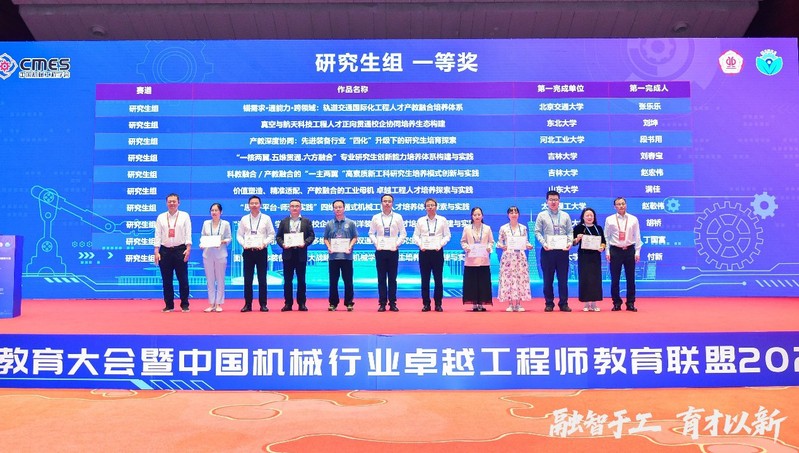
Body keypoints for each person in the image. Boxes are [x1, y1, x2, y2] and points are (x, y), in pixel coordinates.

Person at [534, 190, 573, 312]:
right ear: (546, 201)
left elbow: (570, 232)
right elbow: (537, 232)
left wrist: (569, 243)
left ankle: (563, 303)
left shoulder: (565, 215)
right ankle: (549, 303)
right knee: (547, 279)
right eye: (551, 199)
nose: (553, 202)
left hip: (562, 251)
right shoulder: (542, 215)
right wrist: (544, 243)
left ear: (559, 201)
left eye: (555, 199)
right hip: (548, 251)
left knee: (563, 280)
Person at [154, 193, 192, 313]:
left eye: (174, 201)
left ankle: (185, 304)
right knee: (166, 280)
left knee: (183, 279)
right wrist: (156, 251)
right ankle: (169, 305)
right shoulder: (161, 217)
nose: (172, 203)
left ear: (178, 203)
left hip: (180, 250)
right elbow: (157, 235)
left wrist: (188, 248)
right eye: (169, 201)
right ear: (166, 203)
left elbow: (188, 233)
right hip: (165, 251)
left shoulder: (184, 216)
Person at [368, 194, 407, 312]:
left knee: (392, 278)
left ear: (392, 203)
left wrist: (397, 244)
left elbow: (403, 233)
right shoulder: (376, 217)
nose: (387, 203)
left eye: (389, 201)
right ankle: (382, 303)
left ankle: (393, 303)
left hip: (393, 251)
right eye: (385, 201)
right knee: (381, 278)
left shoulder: (398, 217)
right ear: (381, 203)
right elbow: (371, 233)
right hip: (380, 251)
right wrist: (376, 244)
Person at [236, 195, 275, 312]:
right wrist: (244, 244)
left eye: (256, 203)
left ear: (260, 205)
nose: (254, 205)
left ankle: (263, 304)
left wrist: (264, 243)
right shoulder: (244, 219)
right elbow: (239, 235)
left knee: (262, 279)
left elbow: (271, 234)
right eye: (252, 203)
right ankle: (247, 304)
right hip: (248, 251)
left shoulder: (266, 218)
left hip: (261, 251)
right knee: (247, 279)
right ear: (248, 205)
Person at [604, 197, 643, 312]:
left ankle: (630, 303)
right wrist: (607, 251)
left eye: (623, 203)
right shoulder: (609, 219)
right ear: (614, 207)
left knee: (631, 278)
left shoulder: (633, 219)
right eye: (618, 204)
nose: (621, 206)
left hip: (629, 250)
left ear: (626, 205)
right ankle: (616, 303)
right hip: (615, 250)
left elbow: (637, 235)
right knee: (615, 279)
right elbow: (606, 236)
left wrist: (637, 251)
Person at [412, 198, 452, 312]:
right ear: (425, 207)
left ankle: (438, 304)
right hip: (424, 252)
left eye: (432, 205)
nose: (430, 207)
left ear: (436, 207)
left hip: (437, 251)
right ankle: (426, 304)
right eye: (428, 205)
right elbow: (415, 236)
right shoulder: (420, 221)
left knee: (438, 279)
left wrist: (441, 244)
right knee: (425, 279)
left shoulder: (442, 220)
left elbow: (447, 235)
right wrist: (420, 245)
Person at [275, 199, 315, 311]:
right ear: (289, 208)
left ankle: (302, 303)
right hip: (288, 254)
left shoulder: (306, 221)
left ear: (300, 208)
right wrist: (283, 244)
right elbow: (278, 237)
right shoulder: (284, 222)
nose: (294, 208)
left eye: (297, 206)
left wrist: (305, 243)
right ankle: (288, 303)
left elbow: (311, 236)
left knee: (301, 280)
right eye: (292, 206)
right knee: (288, 280)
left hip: (301, 254)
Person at [497, 205, 533, 312]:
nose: (514, 214)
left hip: (520, 257)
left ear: (519, 214)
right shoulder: (503, 228)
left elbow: (525, 241)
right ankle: (510, 304)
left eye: (516, 212)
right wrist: (502, 246)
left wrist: (529, 246)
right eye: (511, 212)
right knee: (508, 279)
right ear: (508, 215)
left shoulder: (523, 228)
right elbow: (499, 242)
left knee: (520, 278)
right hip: (508, 257)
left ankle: (518, 304)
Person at [324, 199, 358, 312]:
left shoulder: (350, 223)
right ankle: (333, 303)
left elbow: (355, 237)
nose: (338, 209)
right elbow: (325, 238)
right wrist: (329, 247)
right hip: (333, 257)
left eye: (340, 207)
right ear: (333, 209)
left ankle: (349, 303)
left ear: (344, 208)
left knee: (348, 281)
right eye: (336, 207)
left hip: (347, 257)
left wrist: (350, 246)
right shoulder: (329, 224)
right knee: (333, 281)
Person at [460, 207, 494, 311]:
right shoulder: (467, 228)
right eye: (475, 215)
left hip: (483, 260)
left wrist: (489, 247)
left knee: (483, 282)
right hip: (471, 260)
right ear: (472, 216)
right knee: (472, 283)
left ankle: (481, 303)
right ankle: (474, 303)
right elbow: (463, 241)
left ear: (482, 216)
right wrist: (466, 247)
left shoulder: (487, 228)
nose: (477, 217)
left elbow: (491, 241)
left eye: (479, 214)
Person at [200, 203, 232, 312]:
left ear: (221, 212)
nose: (214, 212)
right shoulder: (206, 223)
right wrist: (202, 244)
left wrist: (222, 241)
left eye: (216, 210)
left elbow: (229, 238)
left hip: (220, 254)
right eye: (212, 210)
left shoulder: (225, 224)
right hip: (208, 254)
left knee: (220, 279)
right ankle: (211, 303)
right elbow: (203, 236)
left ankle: (218, 303)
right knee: (210, 280)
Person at [573, 207, 606, 312]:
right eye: (587, 215)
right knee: (585, 279)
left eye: (591, 215)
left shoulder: (598, 228)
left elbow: (603, 241)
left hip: (595, 256)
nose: (589, 217)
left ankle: (594, 303)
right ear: (583, 217)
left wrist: (602, 247)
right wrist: (577, 238)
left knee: (596, 279)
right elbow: (573, 243)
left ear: (594, 217)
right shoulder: (578, 228)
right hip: (584, 256)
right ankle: (586, 303)